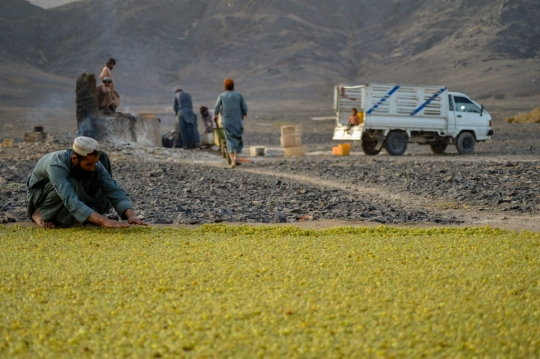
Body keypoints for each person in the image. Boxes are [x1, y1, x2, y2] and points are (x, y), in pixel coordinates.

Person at [26, 136, 147, 228]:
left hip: (74, 190)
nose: (93, 168)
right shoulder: (55, 164)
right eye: (89, 164)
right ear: (75, 159)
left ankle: (86, 214)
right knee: (73, 184)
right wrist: (104, 221)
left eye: (94, 163)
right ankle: (38, 212)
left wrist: (131, 215)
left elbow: (112, 188)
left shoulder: (93, 163)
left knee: (101, 178)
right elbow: (69, 197)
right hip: (42, 196)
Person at [213, 78, 248, 168]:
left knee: (229, 140)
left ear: (225, 87)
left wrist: (215, 116)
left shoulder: (222, 96)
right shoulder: (239, 95)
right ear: (233, 86)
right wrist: (243, 114)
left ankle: (232, 162)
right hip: (237, 121)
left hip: (226, 121)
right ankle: (236, 158)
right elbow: (245, 107)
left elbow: (216, 108)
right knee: (238, 138)